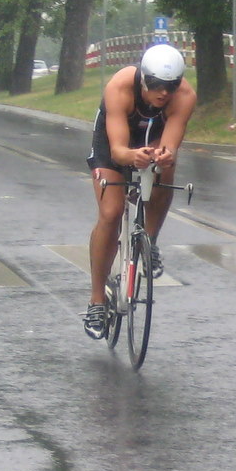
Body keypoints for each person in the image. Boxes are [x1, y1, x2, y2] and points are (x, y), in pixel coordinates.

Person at [83, 43, 196, 339]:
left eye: (170, 86)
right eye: (157, 85)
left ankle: (151, 240)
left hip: (152, 137)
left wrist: (164, 155)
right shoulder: (120, 86)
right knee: (111, 212)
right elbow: (119, 150)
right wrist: (131, 157)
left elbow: (169, 145)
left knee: (166, 167)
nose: (163, 93)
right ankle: (97, 299)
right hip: (114, 141)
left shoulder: (183, 97)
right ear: (144, 78)